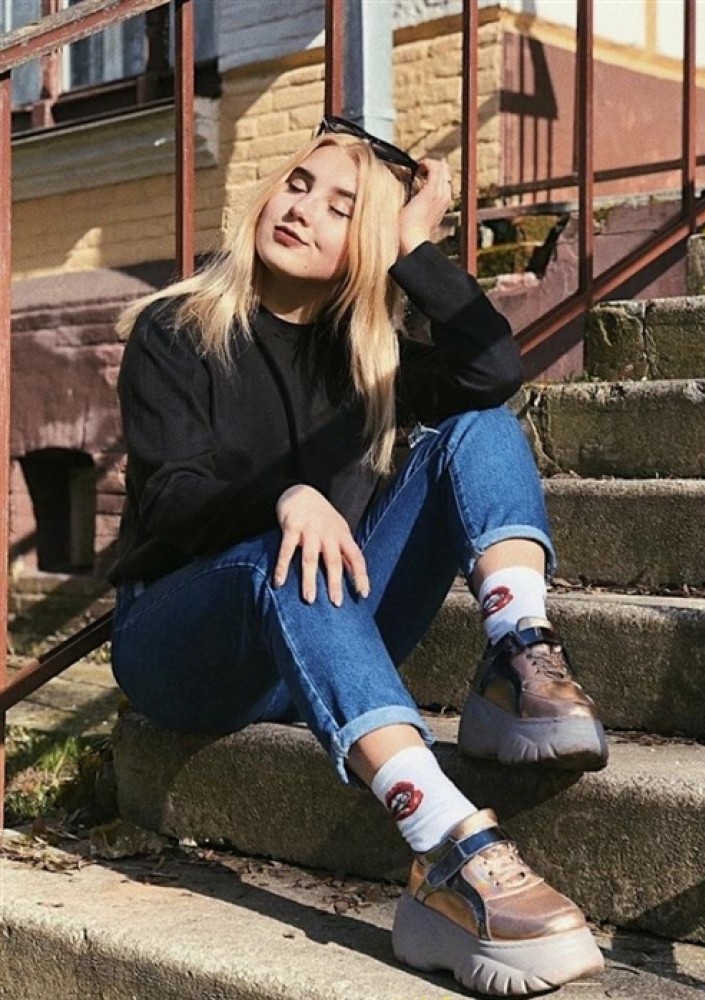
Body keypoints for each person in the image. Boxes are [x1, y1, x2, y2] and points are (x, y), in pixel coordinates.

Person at [109, 116, 608, 997]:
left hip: (326, 628)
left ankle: (518, 651)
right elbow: (173, 499)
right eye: (298, 184)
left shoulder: (365, 358)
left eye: (341, 207)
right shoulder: (176, 329)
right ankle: (451, 846)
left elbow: (492, 370)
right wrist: (284, 498)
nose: (301, 209)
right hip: (187, 644)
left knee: (476, 426)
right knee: (288, 550)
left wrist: (414, 248)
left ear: (366, 243)